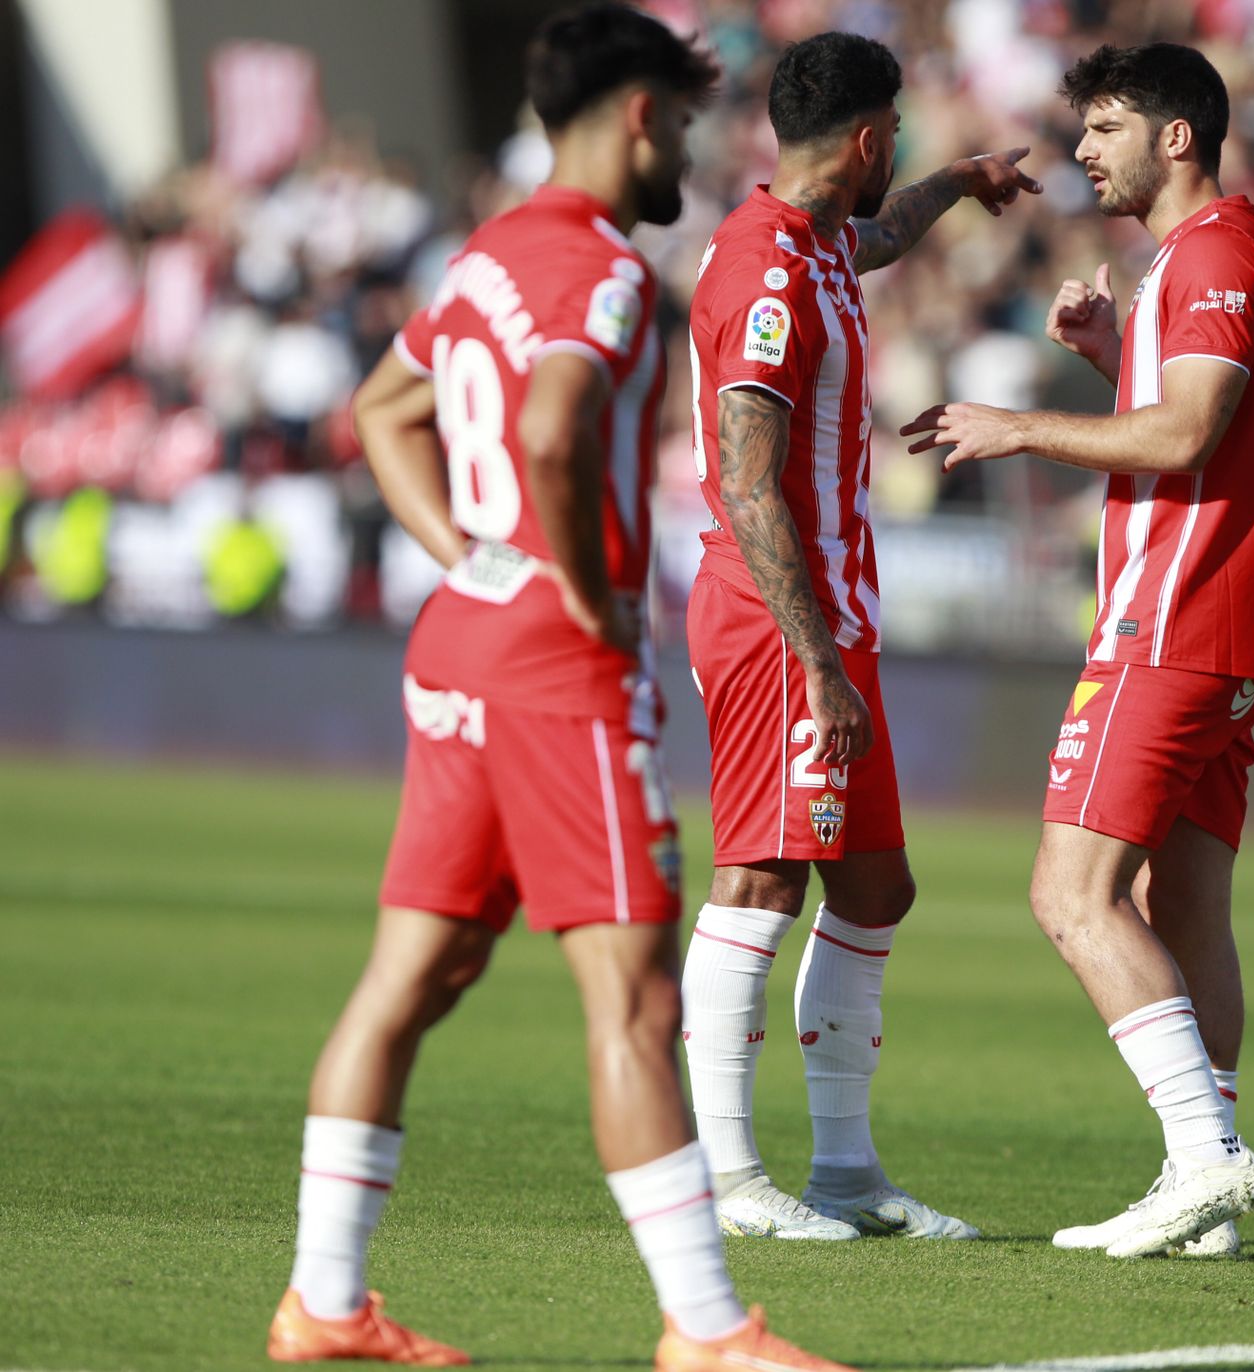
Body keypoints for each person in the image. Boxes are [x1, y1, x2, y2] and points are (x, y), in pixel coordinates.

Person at [267, 8, 854, 1368]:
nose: (691, 156)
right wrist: (577, 589)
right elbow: (550, 425)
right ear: (640, 113)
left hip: (460, 649)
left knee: (409, 978)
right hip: (552, 673)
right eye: (687, 125)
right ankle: (708, 1333)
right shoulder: (600, 275)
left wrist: (471, 560)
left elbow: (380, 411)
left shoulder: (481, 261)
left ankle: (325, 1302)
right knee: (636, 1002)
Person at [902, 42, 1254, 1259]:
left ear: (1177, 136)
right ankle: (1207, 1195)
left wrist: (1017, 423)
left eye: (1108, 126)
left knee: (1069, 893)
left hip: (1172, 617)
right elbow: (1210, 421)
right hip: (1227, 623)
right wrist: (1108, 354)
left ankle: (1203, 1156)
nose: (1082, 149)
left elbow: (1186, 437)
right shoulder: (1234, 252)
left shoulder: (1216, 253)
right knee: (1178, 900)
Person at [681, 31, 1040, 1241]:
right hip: (779, 622)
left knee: (875, 886)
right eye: (909, 143)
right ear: (872, 135)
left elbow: (879, 237)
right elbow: (744, 480)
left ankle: (844, 1173)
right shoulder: (764, 277)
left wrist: (966, 183)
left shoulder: (820, 241)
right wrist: (818, 663)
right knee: (760, 875)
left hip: (835, 625)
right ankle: (728, 1181)